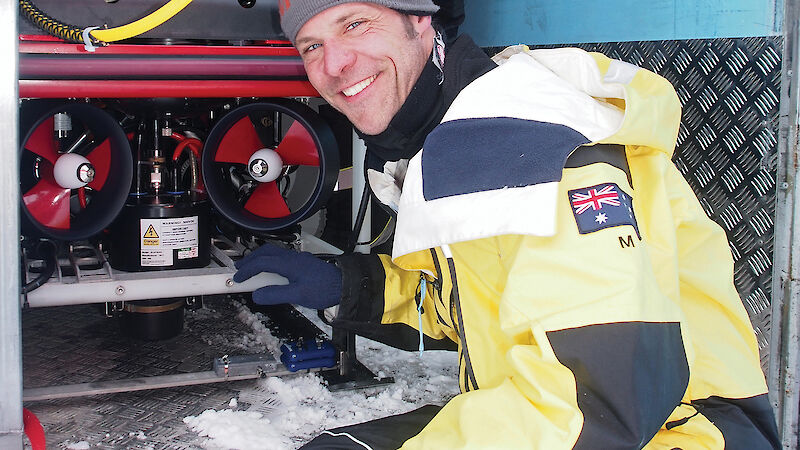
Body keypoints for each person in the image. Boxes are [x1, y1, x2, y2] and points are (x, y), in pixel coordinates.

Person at [233, 0, 781, 448]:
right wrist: (350, 286)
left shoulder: (531, 145)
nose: (334, 65)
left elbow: (597, 405)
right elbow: (482, 305)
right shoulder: (463, 136)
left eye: (355, 24)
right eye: (312, 46)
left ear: (420, 19)